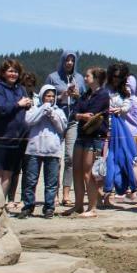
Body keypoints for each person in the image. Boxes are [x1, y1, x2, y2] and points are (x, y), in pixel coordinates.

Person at [0, 58, 32, 204]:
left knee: (9, 173)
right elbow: (0, 109)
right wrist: (18, 104)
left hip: (16, 138)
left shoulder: (21, 89)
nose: (14, 74)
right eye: (10, 71)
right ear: (3, 72)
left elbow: (24, 106)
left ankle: (0, 204)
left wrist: (28, 104)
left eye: (16, 71)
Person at [19, 84, 67, 219]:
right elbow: (29, 121)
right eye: (47, 96)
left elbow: (62, 128)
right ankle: (28, 206)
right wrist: (43, 110)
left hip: (52, 151)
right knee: (30, 181)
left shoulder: (59, 111)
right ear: (42, 96)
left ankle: (49, 207)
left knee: (51, 183)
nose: (50, 99)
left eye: (52, 96)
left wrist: (51, 114)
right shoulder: (33, 108)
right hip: (34, 150)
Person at [69, 66, 110, 217]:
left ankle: (92, 208)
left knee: (89, 173)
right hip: (81, 134)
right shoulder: (86, 94)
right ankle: (78, 205)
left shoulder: (103, 95)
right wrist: (80, 115)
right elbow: (75, 112)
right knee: (77, 171)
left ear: (97, 78)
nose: (85, 78)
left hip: (95, 136)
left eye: (88, 76)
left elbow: (93, 113)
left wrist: (79, 115)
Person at [47, 52, 84, 207]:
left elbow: (84, 98)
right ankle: (53, 193)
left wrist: (77, 95)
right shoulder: (53, 77)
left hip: (73, 119)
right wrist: (62, 95)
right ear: (62, 61)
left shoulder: (80, 78)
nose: (69, 63)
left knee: (70, 156)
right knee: (55, 156)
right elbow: (46, 96)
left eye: (72, 60)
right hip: (57, 118)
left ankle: (66, 194)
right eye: (67, 60)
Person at [103, 63, 137, 203]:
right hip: (105, 127)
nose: (116, 79)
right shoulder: (105, 89)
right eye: (114, 76)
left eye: (119, 77)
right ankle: (104, 193)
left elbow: (128, 105)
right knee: (104, 159)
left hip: (119, 130)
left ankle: (117, 189)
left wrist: (121, 109)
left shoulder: (126, 91)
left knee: (121, 159)